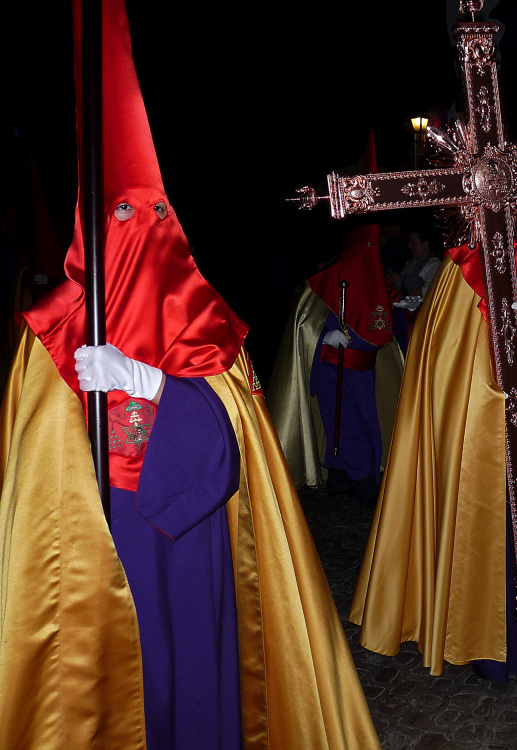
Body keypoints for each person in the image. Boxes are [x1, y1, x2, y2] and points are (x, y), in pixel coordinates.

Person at [0, 3, 379, 747]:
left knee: (190, 680)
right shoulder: (50, 330)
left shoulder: (205, 329)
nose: (128, 234)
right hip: (94, 550)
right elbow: (28, 469)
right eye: (111, 216)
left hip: (187, 544)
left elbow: (225, 451)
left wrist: (147, 384)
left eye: (144, 214)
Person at [349, 197, 517, 681]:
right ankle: (490, 641)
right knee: (488, 534)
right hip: (478, 440)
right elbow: (442, 370)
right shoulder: (457, 277)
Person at [268, 219, 405, 504]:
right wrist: (324, 336)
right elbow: (304, 319)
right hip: (333, 365)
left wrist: (408, 307)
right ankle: (367, 485)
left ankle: (340, 477)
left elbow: (383, 308)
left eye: (376, 246)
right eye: (368, 245)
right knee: (347, 424)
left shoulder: (375, 274)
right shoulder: (331, 278)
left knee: (363, 422)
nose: (372, 251)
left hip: (365, 368)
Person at [386, 226, 442, 298]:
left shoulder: (434, 265)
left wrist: (402, 285)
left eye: (413, 242)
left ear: (425, 245)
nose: (409, 245)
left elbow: (429, 292)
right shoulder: (412, 262)